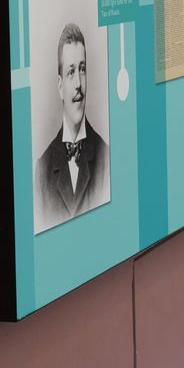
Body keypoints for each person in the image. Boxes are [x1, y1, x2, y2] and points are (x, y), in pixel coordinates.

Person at [35, 22, 109, 228]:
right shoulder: (42, 170)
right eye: (71, 72)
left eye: (82, 70)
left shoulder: (106, 158)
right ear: (60, 86)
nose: (78, 84)